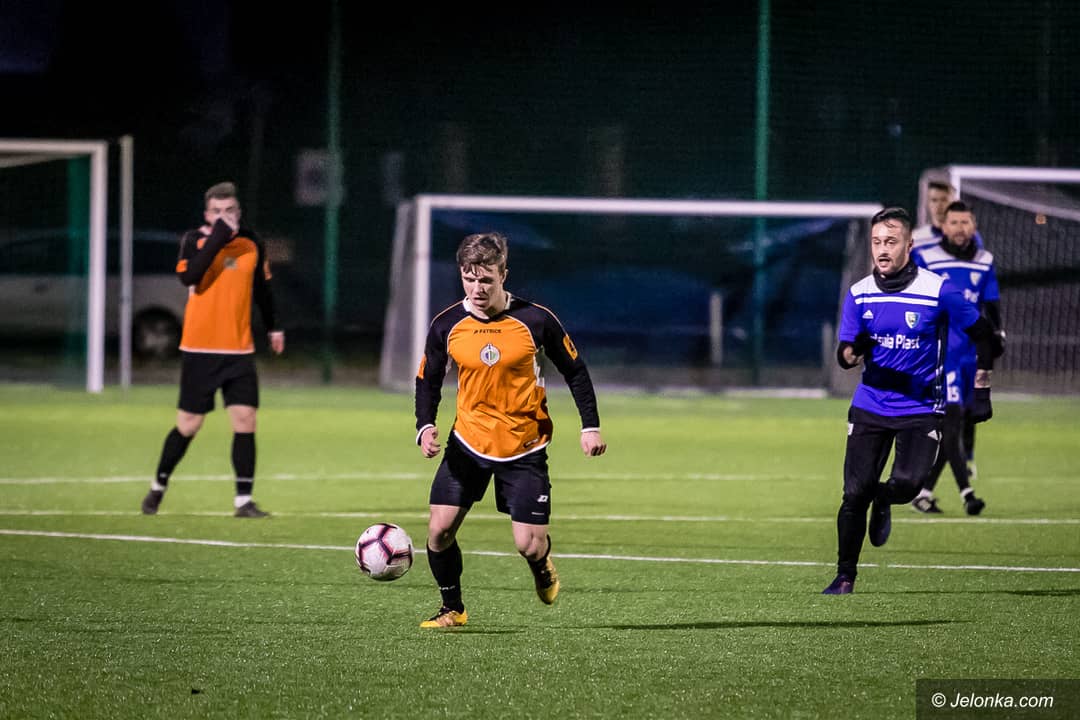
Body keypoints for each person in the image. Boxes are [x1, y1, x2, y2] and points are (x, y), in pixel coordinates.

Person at [414, 231, 607, 627]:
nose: (477, 289)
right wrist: (426, 425)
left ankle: (542, 564)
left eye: (486, 279)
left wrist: (590, 426)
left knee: (528, 545)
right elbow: (427, 378)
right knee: (439, 531)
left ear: (503, 274)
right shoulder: (447, 324)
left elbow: (575, 371)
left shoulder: (536, 320)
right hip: (467, 443)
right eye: (469, 279)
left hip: (524, 446)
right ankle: (453, 608)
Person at [822, 207, 1002, 595]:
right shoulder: (859, 293)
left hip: (921, 410)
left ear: (909, 245)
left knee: (907, 485)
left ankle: (885, 499)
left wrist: (982, 390)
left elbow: (985, 334)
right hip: (870, 405)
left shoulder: (938, 291)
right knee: (853, 493)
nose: (882, 250)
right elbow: (845, 356)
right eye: (876, 242)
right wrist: (853, 352)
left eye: (890, 241)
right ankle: (844, 576)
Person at [141, 182, 285, 518]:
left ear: (239, 212)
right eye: (217, 212)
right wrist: (218, 236)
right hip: (200, 350)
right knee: (189, 425)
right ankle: (158, 486)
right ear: (207, 215)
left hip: (239, 351)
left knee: (245, 419)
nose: (224, 216)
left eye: (230, 211)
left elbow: (263, 289)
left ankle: (243, 501)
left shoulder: (251, 243)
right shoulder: (194, 240)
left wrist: (274, 327)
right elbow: (189, 276)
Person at [910, 201, 1003, 515]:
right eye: (954, 222)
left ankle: (923, 492)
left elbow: (991, 304)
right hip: (942, 356)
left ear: (974, 226)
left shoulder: (984, 261)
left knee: (957, 425)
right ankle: (968, 494)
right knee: (950, 426)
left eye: (965, 222)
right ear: (944, 226)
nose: (960, 228)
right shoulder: (926, 258)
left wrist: (998, 335)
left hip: (971, 357)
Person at [912, 181, 953, 248]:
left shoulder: (962, 238)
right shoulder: (916, 238)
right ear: (928, 204)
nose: (939, 205)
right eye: (934, 200)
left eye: (944, 200)